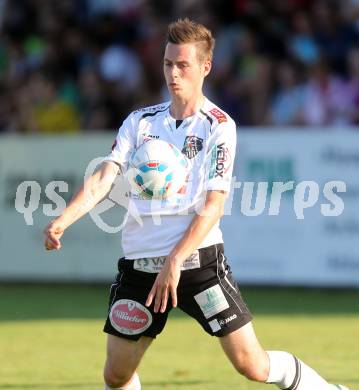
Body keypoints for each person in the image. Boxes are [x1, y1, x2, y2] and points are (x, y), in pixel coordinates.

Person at [44, 18, 349, 390]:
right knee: (116, 374)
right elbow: (104, 175)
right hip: (141, 267)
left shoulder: (218, 126)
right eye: (168, 63)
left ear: (205, 67)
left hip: (198, 263)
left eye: (183, 65)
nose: (174, 73)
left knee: (251, 365)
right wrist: (66, 217)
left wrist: (175, 260)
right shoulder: (140, 122)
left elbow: (214, 205)